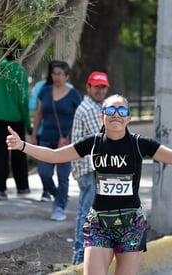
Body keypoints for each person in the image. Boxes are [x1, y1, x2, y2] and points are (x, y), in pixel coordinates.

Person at [7, 94, 172, 275]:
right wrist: (22, 145)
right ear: (101, 116)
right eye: (110, 110)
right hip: (99, 223)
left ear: (128, 118)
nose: (116, 115)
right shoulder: (94, 143)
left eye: (122, 111)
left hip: (131, 223)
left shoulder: (140, 144)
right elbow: (54, 156)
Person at [31, 60, 81, 221]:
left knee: (63, 176)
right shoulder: (45, 92)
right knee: (44, 172)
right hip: (46, 138)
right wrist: (33, 135)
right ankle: (56, 194)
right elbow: (39, 114)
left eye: (60, 74)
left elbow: (78, 117)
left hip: (66, 142)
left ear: (67, 76)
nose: (56, 77)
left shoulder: (73, 95)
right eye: (54, 73)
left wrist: (74, 136)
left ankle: (59, 206)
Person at [70, 71, 110, 265]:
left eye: (103, 87)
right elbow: (105, 136)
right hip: (88, 168)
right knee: (87, 212)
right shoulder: (89, 109)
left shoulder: (95, 107)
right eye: (97, 87)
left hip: (90, 168)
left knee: (89, 212)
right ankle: (79, 256)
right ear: (88, 87)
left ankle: (83, 254)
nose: (100, 90)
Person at [0, 40, 32, 200]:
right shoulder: (19, 71)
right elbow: (23, 100)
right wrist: (28, 123)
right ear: (18, 53)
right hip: (16, 119)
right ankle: (22, 187)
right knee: (19, 153)